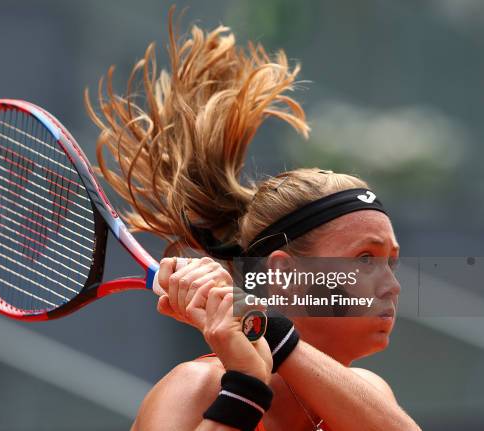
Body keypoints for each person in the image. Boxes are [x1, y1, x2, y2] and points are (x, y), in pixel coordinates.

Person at [86, 9, 421, 431]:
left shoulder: (369, 393)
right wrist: (244, 388)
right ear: (282, 273)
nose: (392, 285)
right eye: (364, 260)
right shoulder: (194, 389)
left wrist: (269, 329)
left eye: (389, 262)